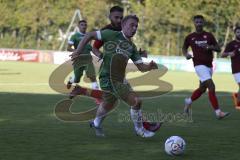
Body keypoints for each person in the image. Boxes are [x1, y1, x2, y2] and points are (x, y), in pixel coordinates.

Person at [70, 15, 159, 138]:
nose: (134, 29)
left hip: (120, 79)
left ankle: (95, 123)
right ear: (123, 25)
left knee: (108, 103)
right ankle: (140, 130)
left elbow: (141, 67)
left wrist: (149, 67)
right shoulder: (111, 34)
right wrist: (78, 51)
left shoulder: (132, 47)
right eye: (131, 25)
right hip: (108, 78)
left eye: (136, 27)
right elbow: (89, 35)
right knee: (136, 102)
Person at [182, 15, 229, 119]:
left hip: (209, 66)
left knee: (202, 89)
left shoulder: (209, 35)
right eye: (197, 22)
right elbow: (184, 48)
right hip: (199, 65)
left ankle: (188, 101)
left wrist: (209, 47)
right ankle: (218, 112)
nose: (199, 23)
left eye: (200, 22)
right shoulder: (190, 37)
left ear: (203, 23)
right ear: (194, 23)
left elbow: (218, 48)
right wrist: (186, 55)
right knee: (211, 86)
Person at [66, 20, 99, 98]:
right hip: (78, 60)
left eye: (85, 25)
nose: (84, 26)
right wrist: (76, 51)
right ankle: (71, 80)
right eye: (82, 25)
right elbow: (68, 48)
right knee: (77, 79)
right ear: (78, 26)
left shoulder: (89, 36)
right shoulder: (74, 36)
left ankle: (97, 95)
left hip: (88, 59)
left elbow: (89, 47)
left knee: (92, 76)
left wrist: (98, 53)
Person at [222, 26, 240, 107]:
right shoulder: (231, 44)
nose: (239, 34)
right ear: (235, 33)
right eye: (238, 32)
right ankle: (238, 100)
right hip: (236, 69)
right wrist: (229, 53)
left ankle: (237, 99)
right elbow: (222, 54)